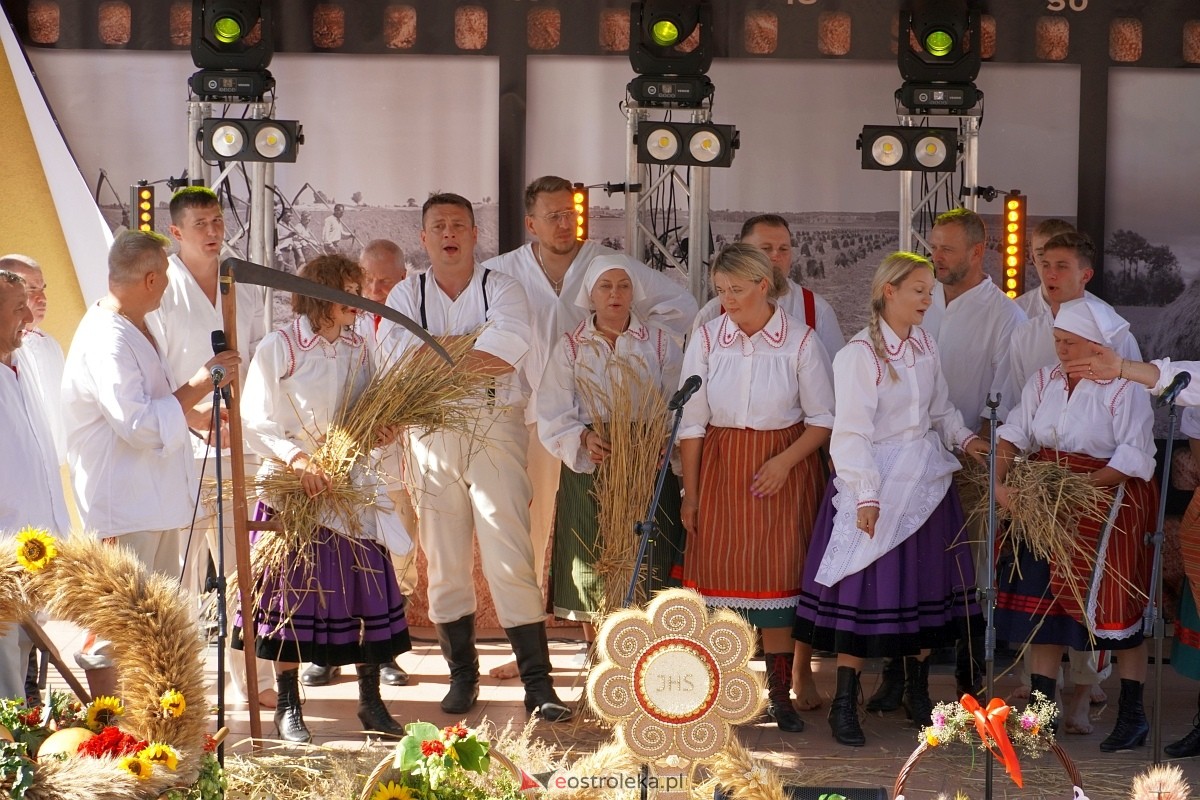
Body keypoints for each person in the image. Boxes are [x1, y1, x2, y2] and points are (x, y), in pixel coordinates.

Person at [484, 175, 697, 678]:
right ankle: (530, 651)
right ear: (531, 222)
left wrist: (642, 338)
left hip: (614, 428)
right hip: (531, 418)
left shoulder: (606, 263)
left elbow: (682, 306)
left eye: (571, 213)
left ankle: (630, 643)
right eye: (553, 216)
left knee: (617, 530)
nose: (565, 223)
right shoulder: (503, 272)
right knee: (532, 534)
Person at [379, 193, 571, 721]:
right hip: (431, 430)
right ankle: (462, 676)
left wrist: (436, 351)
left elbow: (502, 355)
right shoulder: (405, 291)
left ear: (473, 234)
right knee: (444, 559)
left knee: (510, 551)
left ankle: (538, 683)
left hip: (495, 424)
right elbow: (398, 358)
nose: (450, 233)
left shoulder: (502, 287)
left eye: (459, 225)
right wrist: (471, 344)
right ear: (424, 237)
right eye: (439, 225)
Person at [794, 251, 987, 748]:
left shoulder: (924, 344)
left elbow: (940, 410)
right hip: (878, 482)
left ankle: (917, 693)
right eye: (919, 290)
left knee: (922, 588)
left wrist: (967, 440)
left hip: (925, 481)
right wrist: (866, 494)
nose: (928, 299)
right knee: (863, 589)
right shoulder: (859, 355)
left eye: (930, 291)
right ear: (889, 291)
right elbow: (851, 432)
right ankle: (845, 702)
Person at [234, 254, 411, 743]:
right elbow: (255, 420)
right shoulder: (280, 346)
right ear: (322, 295)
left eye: (358, 291)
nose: (358, 300)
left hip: (350, 488)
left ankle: (371, 702)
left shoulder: (360, 344)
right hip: (296, 490)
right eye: (348, 292)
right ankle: (288, 706)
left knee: (366, 593)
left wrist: (383, 429)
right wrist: (297, 460)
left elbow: (371, 409)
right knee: (292, 599)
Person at [61, 230, 241, 698]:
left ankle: (146, 721)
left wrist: (197, 417)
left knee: (152, 618)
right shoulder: (107, 338)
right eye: (165, 274)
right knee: (120, 619)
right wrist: (202, 382)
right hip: (124, 505)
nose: (168, 283)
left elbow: (152, 399)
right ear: (150, 279)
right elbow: (137, 423)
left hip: (152, 501)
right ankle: (109, 723)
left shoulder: (135, 325)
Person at [679, 243, 835, 732]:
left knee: (778, 580)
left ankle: (779, 695)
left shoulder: (801, 341)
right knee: (719, 575)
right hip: (722, 465)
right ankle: (721, 695)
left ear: (764, 285)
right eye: (720, 289)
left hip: (783, 468)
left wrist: (785, 462)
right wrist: (691, 493)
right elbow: (692, 421)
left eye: (736, 289)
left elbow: (823, 418)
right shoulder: (708, 338)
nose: (726, 298)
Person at [991, 297, 1157, 752]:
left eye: (1071, 342)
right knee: (1043, 608)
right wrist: (999, 484)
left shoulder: (1125, 387)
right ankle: (1042, 717)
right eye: (1058, 340)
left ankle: (1132, 716)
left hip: (1106, 495)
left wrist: (1079, 488)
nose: (1061, 349)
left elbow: (1133, 455)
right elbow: (1014, 433)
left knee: (1114, 610)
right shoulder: (1044, 380)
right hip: (1046, 493)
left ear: (1098, 345)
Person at [146, 186, 272, 708]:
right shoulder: (161, 288)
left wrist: (245, 419)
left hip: (238, 440)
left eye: (218, 221)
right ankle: (177, 687)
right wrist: (195, 417)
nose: (213, 231)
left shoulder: (238, 282)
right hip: (181, 445)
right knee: (182, 573)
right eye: (200, 224)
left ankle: (257, 680)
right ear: (176, 232)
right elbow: (153, 373)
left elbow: (258, 358)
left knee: (247, 568)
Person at [896, 208, 1027, 707]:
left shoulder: (1005, 317)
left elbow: (1003, 401)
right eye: (934, 247)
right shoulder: (920, 299)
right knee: (911, 565)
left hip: (970, 465)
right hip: (910, 460)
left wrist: (981, 460)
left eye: (947, 249)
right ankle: (902, 680)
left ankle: (970, 683)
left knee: (970, 572)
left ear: (978, 251)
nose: (937, 257)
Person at [536, 255, 685, 636]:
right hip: (594, 458)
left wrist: (665, 443)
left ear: (634, 293)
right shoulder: (571, 347)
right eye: (605, 286)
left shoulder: (659, 344)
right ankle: (597, 651)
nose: (615, 294)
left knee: (650, 547)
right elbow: (553, 410)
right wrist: (583, 438)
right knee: (590, 548)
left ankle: (648, 645)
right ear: (591, 294)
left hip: (647, 459)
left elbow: (680, 402)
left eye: (623, 286)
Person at [302, 238, 413, 690]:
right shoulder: (306, 340)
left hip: (378, 467)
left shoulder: (387, 329)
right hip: (319, 472)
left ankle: (383, 654)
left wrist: (390, 425)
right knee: (327, 566)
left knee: (383, 566)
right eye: (365, 284)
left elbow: (395, 392)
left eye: (385, 281)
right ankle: (326, 655)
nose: (372, 292)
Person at [0, 269, 70, 701]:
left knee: (20, 656)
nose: (29, 317)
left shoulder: (24, 363)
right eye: (17, 308)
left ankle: (17, 734)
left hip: (33, 549)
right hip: (3, 553)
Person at [997, 231, 1141, 420]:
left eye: (1061, 266)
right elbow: (1016, 400)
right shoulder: (1025, 334)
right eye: (1046, 265)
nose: (1050, 274)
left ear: (1086, 275)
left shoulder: (1114, 335)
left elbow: (1136, 405)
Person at [693, 214, 844, 359]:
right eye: (766, 248)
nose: (775, 256)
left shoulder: (817, 312)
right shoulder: (712, 315)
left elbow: (836, 374)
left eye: (784, 249)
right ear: (743, 253)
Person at [1, 255, 66, 463]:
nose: (42, 298)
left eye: (42, 288)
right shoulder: (7, 352)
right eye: (31, 290)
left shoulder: (50, 344)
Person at [1014, 218, 1077, 320]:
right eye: (1041, 254)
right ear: (1033, 259)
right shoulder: (1016, 312)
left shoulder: (1100, 316)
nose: (1051, 264)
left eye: (1059, 253)